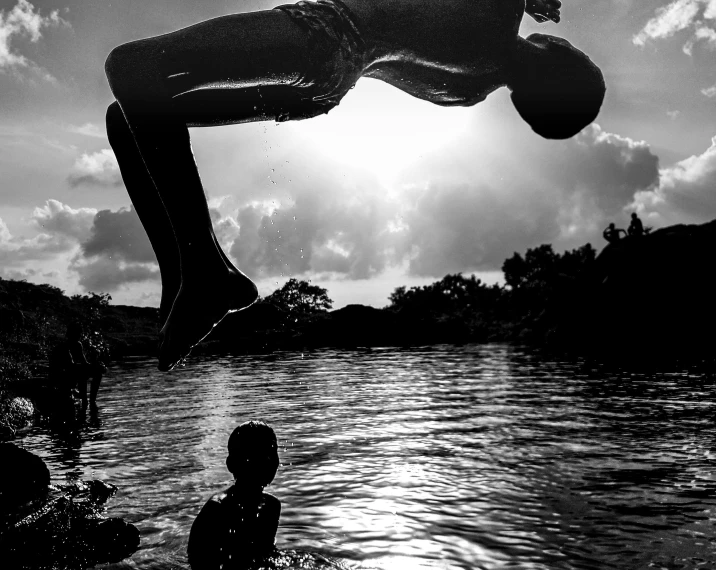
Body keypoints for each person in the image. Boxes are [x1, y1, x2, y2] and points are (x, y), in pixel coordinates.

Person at [104, 0, 606, 370]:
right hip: (326, 87)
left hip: (326, 36)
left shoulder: (498, 18)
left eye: (572, 50)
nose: (564, 38)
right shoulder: (472, 89)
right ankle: (186, 277)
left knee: (130, 66)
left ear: (559, 53)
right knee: (128, 116)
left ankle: (202, 269)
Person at [187, 421, 281, 569]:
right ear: (231, 464)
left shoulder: (271, 507)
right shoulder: (218, 510)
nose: (267, 460)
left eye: (271, 452)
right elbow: (201, 562)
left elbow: (267, 556)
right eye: (255, 455)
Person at [48, 323, 106, 408]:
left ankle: (92, 400)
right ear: (71, 334)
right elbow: (69, 367)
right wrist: (87, 367)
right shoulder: (63, 347)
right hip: (62, 376)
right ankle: (84, 400)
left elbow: (84, 363)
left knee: (97, 373)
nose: (80, 335)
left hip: (73, 372)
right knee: (82, 373)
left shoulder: (78, 345)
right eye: (78, 333)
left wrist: (96, 366)